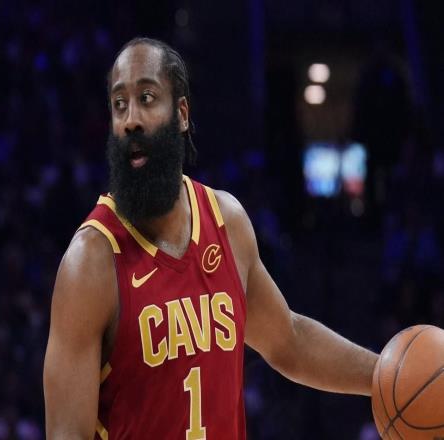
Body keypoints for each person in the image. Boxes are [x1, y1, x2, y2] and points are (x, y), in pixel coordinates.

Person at [43, 37, 378, 440]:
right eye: (119, 104)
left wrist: (384, 375)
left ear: (181, 113)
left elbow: (289, 341)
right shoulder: (91, 261)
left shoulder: (227, 221)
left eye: (147, 98)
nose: (131, 119)